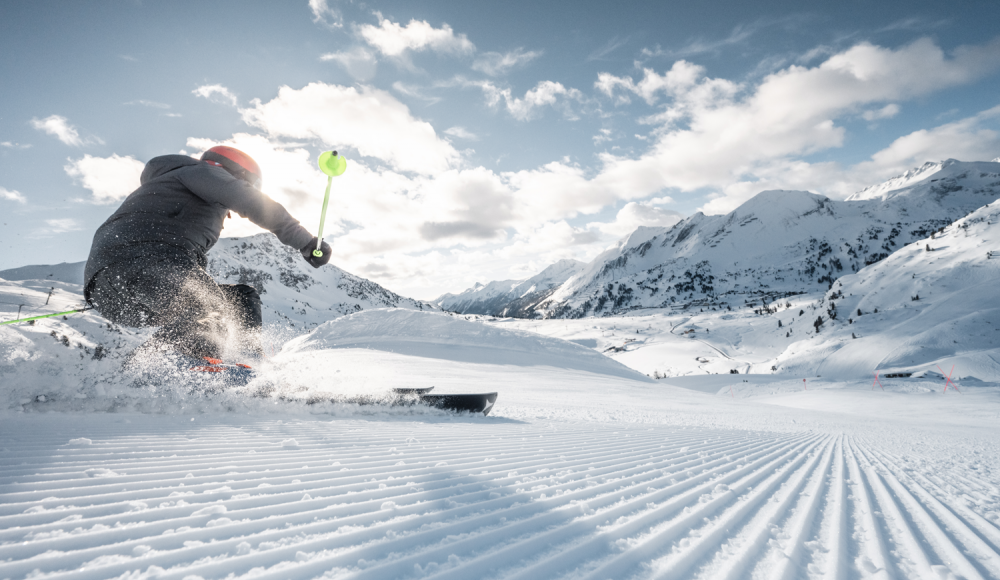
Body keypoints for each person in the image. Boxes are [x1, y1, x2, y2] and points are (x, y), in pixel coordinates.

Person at [84, 146, 331, 368]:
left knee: (239, 298)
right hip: (139, 264)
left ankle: (246, 365)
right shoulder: (201, 172)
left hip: (120, 288)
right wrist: (306, 242)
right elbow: (248, 200)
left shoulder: (174, 185)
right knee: (206, 303)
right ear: (239, 174)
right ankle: (199, 371)